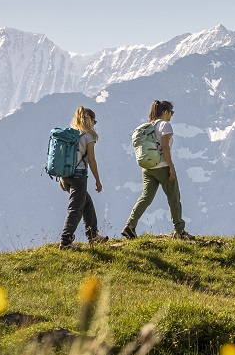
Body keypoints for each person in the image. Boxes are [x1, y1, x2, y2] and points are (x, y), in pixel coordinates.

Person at [121, 99, 191, 239]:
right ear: (165, 112)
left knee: (145, 198)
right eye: (171, 112)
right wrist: (171, 167)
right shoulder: (165, 125)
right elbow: (165, 147)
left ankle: (130, 226)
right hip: (163, 166)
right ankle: (179, 231)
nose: (171, 115)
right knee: (173, 198)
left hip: (148, 168)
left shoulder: (149, 125)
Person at [59, 105, 108, 248]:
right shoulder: (88, 136)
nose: (95, 124)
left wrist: (62, 179)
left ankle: (93, 235)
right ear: (90, 120)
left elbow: (64, 158)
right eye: (95, 121)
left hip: (66, 175)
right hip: (78, 176)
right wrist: (98, 180)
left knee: (86, 203)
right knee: (76, 207)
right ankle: (65, 241)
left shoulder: (71, 133)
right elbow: (91, 160)